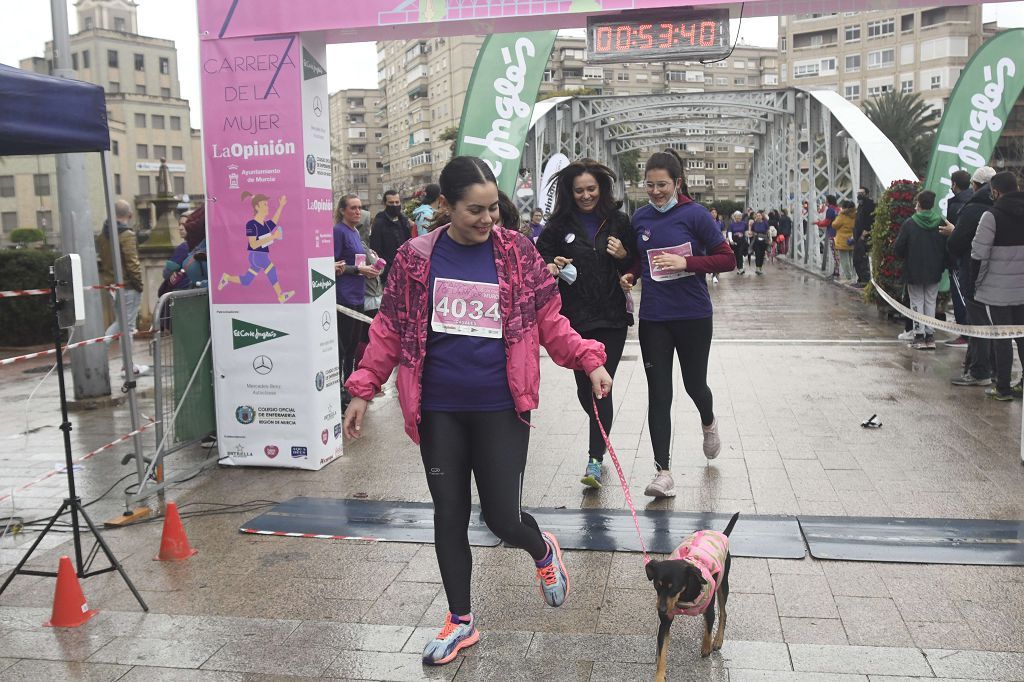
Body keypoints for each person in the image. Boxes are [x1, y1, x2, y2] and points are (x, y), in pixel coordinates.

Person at [343, 156, 613, 667]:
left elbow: (549, 319)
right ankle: (460, 621)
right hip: (439, 406)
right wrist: (363, 388)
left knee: (502, 518)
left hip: (500, 405)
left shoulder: (516, 253)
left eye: (493, 209)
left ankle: (541, 549)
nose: (488, 220)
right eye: (475, 210)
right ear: (445, 206)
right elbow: (390, 329)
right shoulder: (415, 258)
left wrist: (588, 359)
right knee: (449, 515)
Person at [620, 150, 735, 498]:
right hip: (654, 318)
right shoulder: (639, 218)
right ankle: (663, 473)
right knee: (659, 393)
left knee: (694, 385)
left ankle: (709, 421)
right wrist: (629, 274)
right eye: (650, 185)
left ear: (678, 183)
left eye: (663, 185)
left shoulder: (696, 215)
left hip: (693, 316)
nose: (655, 191)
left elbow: (728, 259)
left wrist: (686, 262)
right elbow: (640, 262)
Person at [536, 159, 636, 490]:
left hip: (611, 317)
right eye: (579, 190)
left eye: (591, 189)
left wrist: (624, 257)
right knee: (585, 388)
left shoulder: (619, 221)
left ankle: (595, 460)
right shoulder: (555, 226)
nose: (586, 195)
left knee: (601, 386)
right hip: (574, 320)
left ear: (602, 189)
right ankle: (600, 434)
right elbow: (538, 263)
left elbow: (638, 261)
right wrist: (553, 264)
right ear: (569, 192)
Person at [971, 171, 1024, 401]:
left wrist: (977, 283)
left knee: (1001, 337)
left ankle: (1002, 387)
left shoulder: (990, 216)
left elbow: (979, 254)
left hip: (997, 290)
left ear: (995, 191)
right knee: (1022, 337)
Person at [947, 166, 996, 386]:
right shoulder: (1003, 208)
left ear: (976, 185)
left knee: (978, 322)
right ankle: (996, 371)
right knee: (997, 324)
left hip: (974, 272)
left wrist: (953, 232)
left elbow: (958, 242)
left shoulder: (973, 208)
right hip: (1003, 278)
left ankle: (979, 371)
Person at [333, 195, 382, 398]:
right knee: (343, 346)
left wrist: (371, 266)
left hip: (359, 294)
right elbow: (333, 266)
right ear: (343, 210)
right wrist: (359, 271)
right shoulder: (338, 231)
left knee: (354, 344)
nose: (357, 212)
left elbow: (359, 261)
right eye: (353, 208)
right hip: (344, 296)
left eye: (360, 208)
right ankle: (341, 389)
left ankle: (350, 384)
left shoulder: (356, 232)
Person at [97, 199, 148, 376]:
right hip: (128, 286)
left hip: (112, 285)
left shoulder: (103, 235)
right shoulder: (126, 234)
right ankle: (127, 365)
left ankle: (103, 355)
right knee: (127, 326)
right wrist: (139, 285)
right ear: (130, 215)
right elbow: (132, 262)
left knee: (121, 323)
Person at [217, 192, 294, 303]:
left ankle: (227, 278)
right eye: (264, 204)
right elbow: (253, 244)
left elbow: (274, 221)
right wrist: (273, 236)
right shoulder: (251, 224)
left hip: (262, 255)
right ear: (257, 207)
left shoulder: (266, 224)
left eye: (267, 204)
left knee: (247, 280)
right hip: (256, 256)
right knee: (271, 270)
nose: (267, 207)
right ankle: (281, 296)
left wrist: (281, 206)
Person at [894, 191, 947, 351]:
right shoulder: (941, 221)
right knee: (931, 301)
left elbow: (899, 248)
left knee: (916, 301)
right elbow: (947, 245)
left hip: (914, 269)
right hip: (935, 269)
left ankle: (918, 335)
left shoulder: (910, 223)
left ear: (918, 203)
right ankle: (930, 336)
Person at [943, 170, 975, 346]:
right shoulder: (973, 200)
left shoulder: (958, 205)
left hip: (959, 258)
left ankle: (965, 333)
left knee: (961, 296)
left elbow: (958, 234)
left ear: (954, 184)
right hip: (970, 257)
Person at [370, 190, 412, 284]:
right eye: (391, 203)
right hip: (388, 273)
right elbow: (375, 249)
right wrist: (385, 270)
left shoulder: (403, 220)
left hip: (405, 269)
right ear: (385, 204)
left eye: (397, 202)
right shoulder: (379, 223)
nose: (394, 205)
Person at [853, 187, 875, 287]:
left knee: (862, 258)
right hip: (858, 236)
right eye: (858, 193)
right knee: (857, 259)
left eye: (861, 193)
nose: (859, 195)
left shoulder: (869, 204)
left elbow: (871, 219)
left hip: (864, 236)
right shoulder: (860, 205)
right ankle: (861, 279)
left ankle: (865, 280)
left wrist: (865, 232)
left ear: (867, 194)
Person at [831, 200, 857, 283]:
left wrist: (840, 214)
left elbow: (834, 225)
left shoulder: (843, 215)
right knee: (851, 259)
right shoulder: (855, 215)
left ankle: (848, 277)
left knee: (844, 260)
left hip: (843, 240)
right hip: (852, 239)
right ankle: (853, 276)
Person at [815, 195, 840, 278]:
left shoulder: (830, 210)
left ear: (828, 201)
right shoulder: (838, 209)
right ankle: (837, 270)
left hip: (832, 234)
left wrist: (817, 223)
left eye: (826, 200)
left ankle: (836, 272)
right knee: (838, 253)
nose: (825, 202)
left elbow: (826, 222)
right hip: (839, 233)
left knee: (835, 253)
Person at [749, 210, 771, 275]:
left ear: (762, 216)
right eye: (757, 216)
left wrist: (769, 239)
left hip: (764, 240)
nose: (758, 217)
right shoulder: (754, 223)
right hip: (756, 240)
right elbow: (752, 231)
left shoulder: (765, 223)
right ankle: (757, 268)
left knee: (762, 254)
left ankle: (760, 267)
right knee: (757, 254)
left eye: (759, 216)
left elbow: (768, 231)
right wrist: (753, 233)